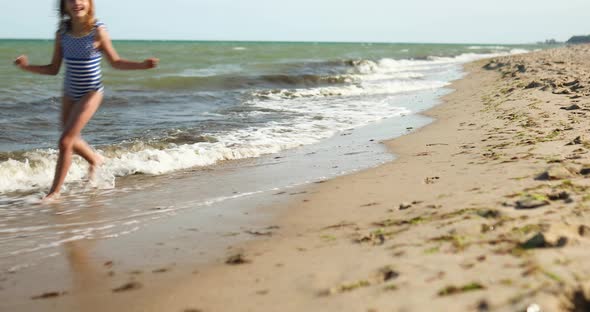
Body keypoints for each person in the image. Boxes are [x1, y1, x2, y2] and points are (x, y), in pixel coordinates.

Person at [14, 0, 159, 200]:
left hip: (92, 91)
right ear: (64, 6)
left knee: (65, 141)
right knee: (71, 140)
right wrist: (26, 67)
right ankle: (95, 159)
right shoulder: (62, 33)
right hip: (69, 92)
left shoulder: (97, 30)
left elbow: (115, 62)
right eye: (70, 0)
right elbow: (53, 68)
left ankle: (54, 193)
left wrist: (142, 65)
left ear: (90, 4)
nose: (76, 3)